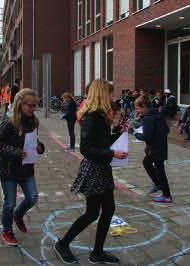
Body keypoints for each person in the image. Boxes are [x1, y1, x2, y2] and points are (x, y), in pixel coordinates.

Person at [54, 79, 127, 264]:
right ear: (102, 94)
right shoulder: (92, 117)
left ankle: (97, 252)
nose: (112, 97)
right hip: (94, 169)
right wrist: (112, 152)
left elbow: (101, 140)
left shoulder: (101, 116)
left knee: (108, 209)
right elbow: (86, 148)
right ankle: (63, 244)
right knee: (92, 213)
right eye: (110, 93)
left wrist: (118, 132)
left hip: (102, 167)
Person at [0, 88, 45, 246]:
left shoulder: (33, 121)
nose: (34, 108)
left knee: (33, 197)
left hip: (26, 167)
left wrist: (40, 147)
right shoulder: (9, 122)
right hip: (8, 169)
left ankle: (18, 215)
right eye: (30, 105)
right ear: (20, 104)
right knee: (10, 203)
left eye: (35, 105)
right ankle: (7, 230)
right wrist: (15, 152)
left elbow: (34, 140)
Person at [134, 96, 172, 203]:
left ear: (144, 106)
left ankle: (167, 195)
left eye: (138, 108)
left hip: (155, 148)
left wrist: (136, 134)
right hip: (160, 146)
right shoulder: (157, 114)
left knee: (160, 170)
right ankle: (158, 184)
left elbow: (146, 136)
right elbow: (166, 129)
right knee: (147, 162)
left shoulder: (148, 118)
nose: (137, 111)